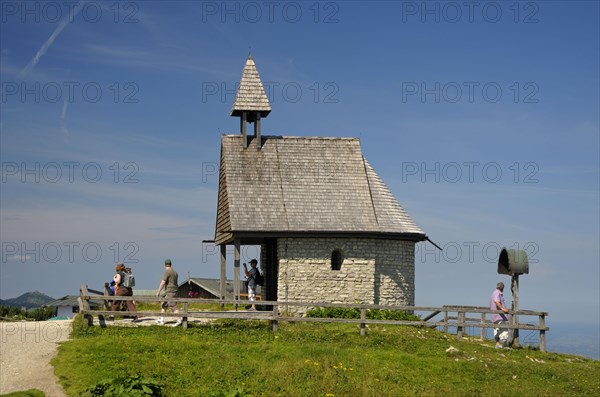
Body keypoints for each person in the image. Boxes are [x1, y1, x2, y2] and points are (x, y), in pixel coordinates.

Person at [156, 259, 182, 327]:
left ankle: (179, 320)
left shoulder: (167, 271)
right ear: (171, 264)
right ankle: (161, 319)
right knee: (164, 304)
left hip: (170, 291)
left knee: (173, 306)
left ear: (165, 264)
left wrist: (158, 291)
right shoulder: (175, 272)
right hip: (174, 290)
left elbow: (163, 281)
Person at [490, 281, 510, 348]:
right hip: (499, 315)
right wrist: (503, 309)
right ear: (502, 288)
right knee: (504, 330)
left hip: (495, 315)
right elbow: (496, 301)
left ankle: (498, 344)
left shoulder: (495, 292)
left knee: (497, 330)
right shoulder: (497, 293)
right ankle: (504, 345)